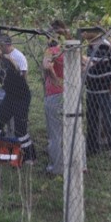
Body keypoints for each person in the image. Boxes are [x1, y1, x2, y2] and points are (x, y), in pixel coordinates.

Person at [0, 41, 36, 163]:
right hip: (10, 97)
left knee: (20, 130)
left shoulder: (7, 62)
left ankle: (29, 156)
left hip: (21, 98)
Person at [83, 32, 111, 159]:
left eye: (86, 30)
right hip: (91, 90)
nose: (84, 33)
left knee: (110, 121)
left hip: (106, 91)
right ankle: (92, 148)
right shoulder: (88, 47)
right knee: (92, 121)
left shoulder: (107, 46)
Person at [42, 20, 70, 174]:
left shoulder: (51, 50)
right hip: (69, 93)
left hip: (54, 93)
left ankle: (56, 168)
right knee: (71, 131)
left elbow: (47, 65)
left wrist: (54, 78)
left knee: (55, 134)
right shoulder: (71, 48)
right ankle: (79, 165)